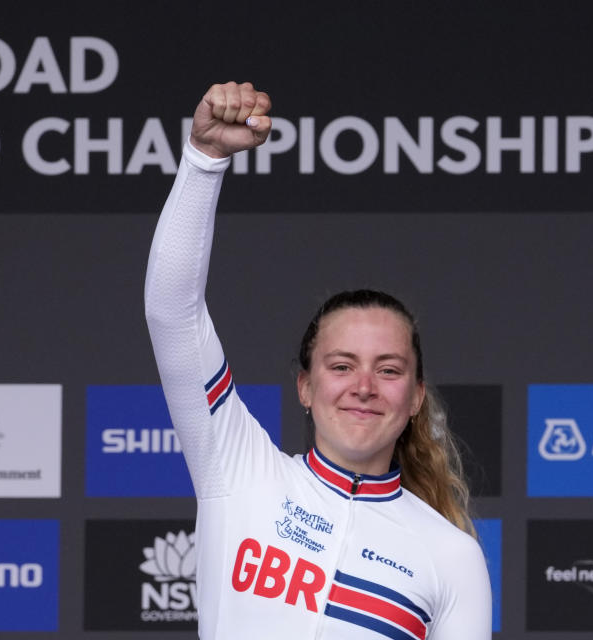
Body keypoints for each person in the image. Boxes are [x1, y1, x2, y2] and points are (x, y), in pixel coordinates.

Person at [145, 82, 491, 639]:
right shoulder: (238, 469)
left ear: (416, 397)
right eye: (341, 365)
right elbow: (172, 312)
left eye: (389, 369)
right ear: (304, 387)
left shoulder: (452, 557)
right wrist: (204, 161)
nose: (364, 386)